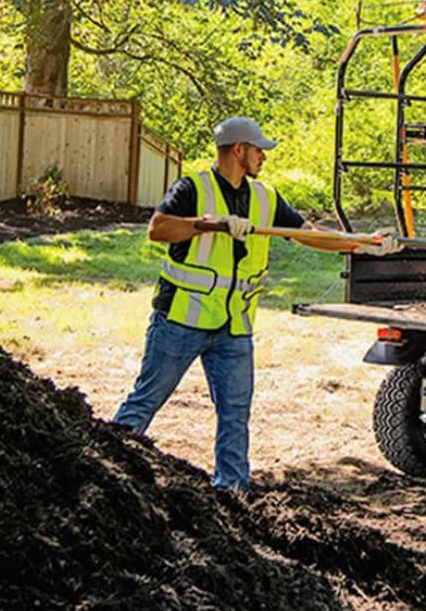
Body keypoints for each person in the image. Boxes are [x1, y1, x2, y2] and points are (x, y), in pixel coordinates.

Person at [113, 116, 386, 490]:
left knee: (235, 415)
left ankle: (233, 493)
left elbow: (306, 235)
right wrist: (208, 224)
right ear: (238, 150)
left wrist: (362, 243)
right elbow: (157, 229)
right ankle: (108, 472)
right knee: (146, 400)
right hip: (181, 321)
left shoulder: (264, 197)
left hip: (233, 328)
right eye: (259, 150)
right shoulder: (193, 188)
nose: (264, 157)